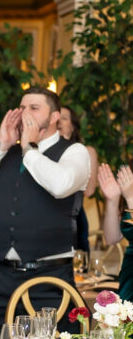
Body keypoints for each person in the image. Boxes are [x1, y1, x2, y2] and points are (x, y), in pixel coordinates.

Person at [0, 86, 91, 339]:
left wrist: (29, 149)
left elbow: (61, 185)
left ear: (54, 117)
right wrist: (1, 146)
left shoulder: (74, 152)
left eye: (34, 107)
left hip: (48, 277)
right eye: (22, 107)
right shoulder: (7, 153)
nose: (25, 113)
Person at [60, 105, 97, 253]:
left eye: (64, 118)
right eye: (57, 118)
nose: (59, 122)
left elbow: (90, 190)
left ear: (73, 127)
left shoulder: (87, 152)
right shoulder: (42, 152)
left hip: (74, 218)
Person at [95, 164, 133, 301]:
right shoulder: (130, 177)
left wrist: (131, 198)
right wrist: (113, 200)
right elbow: (111, 238)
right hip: (129, 275)